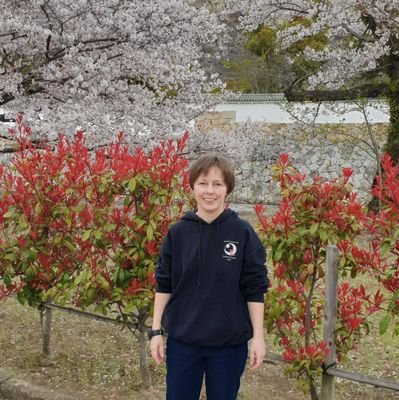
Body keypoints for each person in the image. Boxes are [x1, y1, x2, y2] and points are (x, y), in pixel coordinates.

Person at [149, 153, 269, 400]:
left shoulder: (242, 232)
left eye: (218, 184)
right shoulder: (178, 233)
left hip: (229, 346)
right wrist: (156, 331)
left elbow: (255, 288)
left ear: (228, 189)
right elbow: (164, 283)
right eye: (203, 183)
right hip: (183, 342)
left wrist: (258, 337)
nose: (210, 191)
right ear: (193, 187)